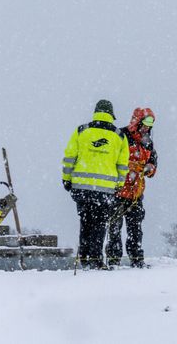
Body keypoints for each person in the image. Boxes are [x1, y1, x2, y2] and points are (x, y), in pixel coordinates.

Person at [62, 100, 129, 269]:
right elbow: (122, 165)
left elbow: (69, 157)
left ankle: (84, 257)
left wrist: (66, 178)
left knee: (85, 221)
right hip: (105, 190)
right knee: (99, 223)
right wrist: (120, 184)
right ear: (111, 114)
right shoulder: (119, 136)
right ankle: (96, 259)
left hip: (81, 188)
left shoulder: (81, 131)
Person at [106, 108, 158, 268]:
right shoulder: (120, 136)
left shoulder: (148, 142)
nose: (147, 128)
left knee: (136, 229)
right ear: (137, 122)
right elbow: (111, 158)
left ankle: (136, 259)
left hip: (136, 193)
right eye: (145, 124)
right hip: (117, 190)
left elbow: (154, 160)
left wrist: (150, 167)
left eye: (150, 125)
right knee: (114, 227)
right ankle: (113, 259)